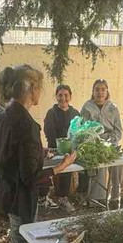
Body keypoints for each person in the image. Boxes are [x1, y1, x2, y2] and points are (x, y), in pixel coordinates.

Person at [0, 64, 77, 243]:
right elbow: (30, 177)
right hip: (19, 196)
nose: (41, 92)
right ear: (31, 89)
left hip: (3, 189)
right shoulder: (26, 125)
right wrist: (61, 166)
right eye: (40, 87)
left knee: (24, 237)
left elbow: (3, 151)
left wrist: (38, 151)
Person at [77, 79, 122, 203]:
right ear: (93, 92)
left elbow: (118, 131)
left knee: (117, 164)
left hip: (111, 144)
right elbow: (82, 129)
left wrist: (108, 139)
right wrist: (94, 139)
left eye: (103, 90)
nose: (100, 93)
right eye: (97, 89)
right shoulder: (87, 107)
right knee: (99, 163)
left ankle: (115, 198)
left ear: (107, 92)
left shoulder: (113, 108)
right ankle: (96, 199)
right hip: (93, 144)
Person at [43, 84, 80, 212]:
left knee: (67, 173)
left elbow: (78, 132)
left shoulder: (75, 113)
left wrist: (72, 147)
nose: (63, 98)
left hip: (70, 150)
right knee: (55, 172)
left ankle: (64, 198)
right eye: (60, 95)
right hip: (54, 150)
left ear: (70, 97)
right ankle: (49, 198)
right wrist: (58, 147)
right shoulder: (51, 113)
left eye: (66, 95)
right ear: (56, 96)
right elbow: (49, 132)